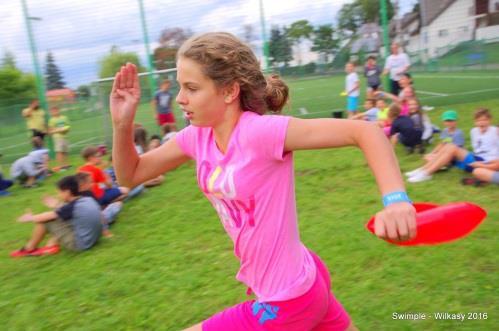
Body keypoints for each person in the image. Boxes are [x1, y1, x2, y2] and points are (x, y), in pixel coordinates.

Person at [110, 32, 416, 331]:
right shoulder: (196, 136)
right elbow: (130, 174)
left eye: (191, 87)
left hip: (288, 300)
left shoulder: (261, 132)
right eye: (180, 86)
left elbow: (365, 132)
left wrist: (396, 200)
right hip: (304, 278)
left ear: (229, 91)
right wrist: (122, 125)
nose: (179, 98)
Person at [10, 175, 102, 258]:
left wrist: (30, 218)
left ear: (67, 192)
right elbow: (67, 211)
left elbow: (48, 216)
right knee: (60, 219)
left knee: (46, 221)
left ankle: (29, 249)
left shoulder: (72, 207)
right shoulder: (86, 198)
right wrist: (57, 205)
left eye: (59, 192)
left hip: (80, 244)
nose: (58, 195)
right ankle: (51, 245)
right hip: (94, 239)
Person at [407, 108, 498, 183]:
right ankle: (422, 170)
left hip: (488, 162)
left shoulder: (495, 131)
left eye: (485, 120)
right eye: (479, 120)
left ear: (490, 120)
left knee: (452, 147)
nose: (482, 123)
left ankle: (426, 173)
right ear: (475, 122)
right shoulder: (473, 131)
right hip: (476, 159)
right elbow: (477, 150)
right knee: (446, 147)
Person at [75, 172, 122, 237]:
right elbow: (99, 213)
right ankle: (108, 221)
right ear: (82, 185)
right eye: (90, 182)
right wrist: (105, 231)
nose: (93, 184)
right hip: (96, 223)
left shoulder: (74, 196)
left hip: (84, 228)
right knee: (118, 204)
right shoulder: (89, 194)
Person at [48, 106, 71, 171]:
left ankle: (67, 165)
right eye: (52, 111)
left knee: (66, 151)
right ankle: (61, 166)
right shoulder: (51, 120)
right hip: (57, 138)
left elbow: (68, 126)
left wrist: (65, 129)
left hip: (65, 137)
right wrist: (59, 130)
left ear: (59, 110)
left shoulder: (64, 117)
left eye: (56, 110)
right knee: (59, 152)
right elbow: (50, 131)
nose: (54, 112)